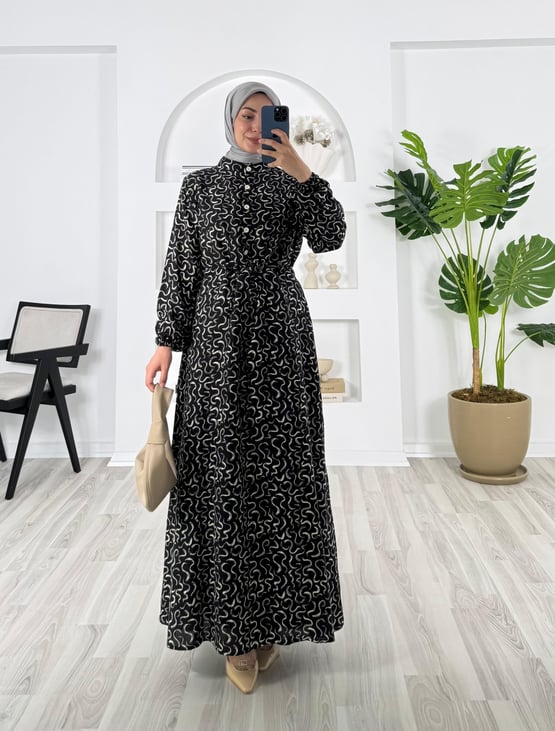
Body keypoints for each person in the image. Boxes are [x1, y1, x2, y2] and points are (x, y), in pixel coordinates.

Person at [145, 80, 345, 694]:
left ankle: (271, 621)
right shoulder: (200, 187)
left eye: (268, 115)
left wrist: (301, 171)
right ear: (230, 120)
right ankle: (233, 634)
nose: (257, 126)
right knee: (220, 479)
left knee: (279, 480)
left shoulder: (292, 180)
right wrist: (165, 341)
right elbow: (182, 268)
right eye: (247, 116)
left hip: (280, 344)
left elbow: (331, 235)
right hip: (216, 348)